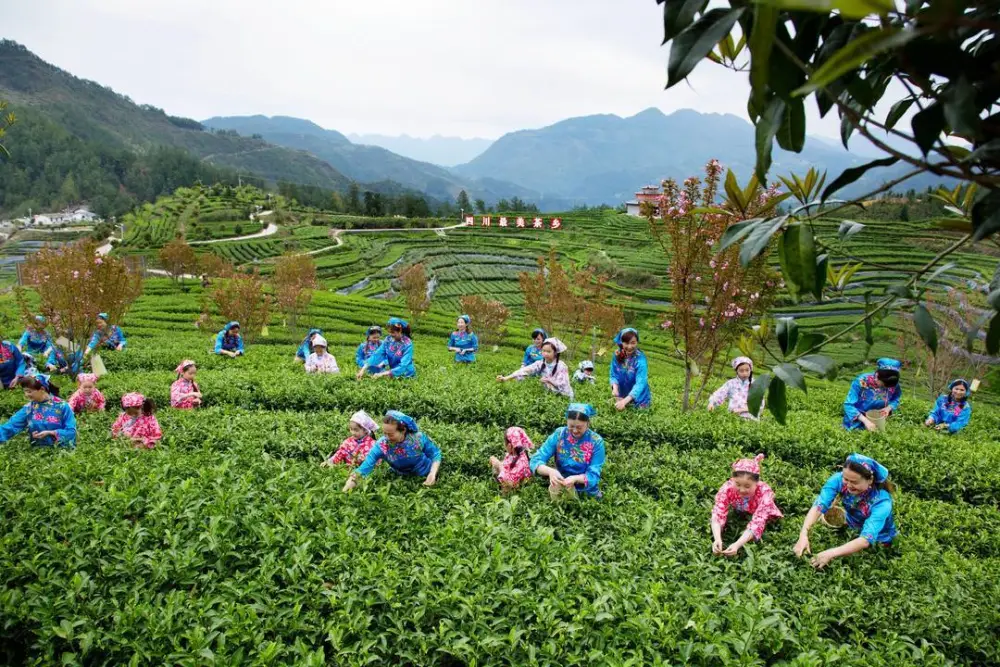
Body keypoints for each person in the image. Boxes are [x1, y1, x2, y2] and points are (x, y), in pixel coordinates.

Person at [794, 453, 897, 569]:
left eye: (854, 482)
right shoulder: (838, 480)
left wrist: (830, 553)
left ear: (870, 480)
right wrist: (803, 534)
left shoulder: (882, 503)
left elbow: (865, 540)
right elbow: (819, 505)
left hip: (878, 538)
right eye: (845, 478)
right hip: (851, 525)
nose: (848, 485)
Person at [343, 411, 441, 491]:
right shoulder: (381, 446)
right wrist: (347, 488)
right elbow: (364, 468)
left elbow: (435, 454)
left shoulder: (418, 438)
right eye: (384, 433)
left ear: (403, 431)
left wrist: (432, 474)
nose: (386, 437)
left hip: (425, 474)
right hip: (401, 479)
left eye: (390, 434)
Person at [710, 454, 783, 556]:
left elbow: (758, 522)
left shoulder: (765, 493)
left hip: (757, 509)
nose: (742, 490)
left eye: (747, 486)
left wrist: (737, 544)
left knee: (766, 517)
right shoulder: (727, 488)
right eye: (738, 484)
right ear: (732, 479)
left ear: (757, 483)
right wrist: (717, 538)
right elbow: (718, 512)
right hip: (740, 508)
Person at [530, 403, 606, 499]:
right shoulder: (559, 434)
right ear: (566, 421)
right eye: (571, 426)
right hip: (560, 485)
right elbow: (536, 460)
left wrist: (575, 479)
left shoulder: (596, 442)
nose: (574, 431)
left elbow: (593, 475)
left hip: (585, 491)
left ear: (588, 423)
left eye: (579, 427)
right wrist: (550, 472)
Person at [0, 375, 76, 449]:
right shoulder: (29, 408)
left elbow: (71, 432)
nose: (26, 395)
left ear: (42, 389)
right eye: (25, 392)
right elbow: (11, 426)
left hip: (62, 453)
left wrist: (51, 433)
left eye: (29, 391)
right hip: (38, 453)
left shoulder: (62, 406)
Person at [497, 337, 573, 398]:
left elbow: (563, 385)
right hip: (550, 395)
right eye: (543, 351)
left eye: (548, 351)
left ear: (555, 353)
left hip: (563, 397)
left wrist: (549, 380)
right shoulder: (540, 363)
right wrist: (506, 378)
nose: (545, 354)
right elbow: (524, 370)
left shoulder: (562, 366)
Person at [843, 358, 902, 431]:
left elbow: (896, 398)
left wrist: (888, 408)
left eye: (889, 387)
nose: (886, 389)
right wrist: (865, 421)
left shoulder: (892, 383)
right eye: (883, 386)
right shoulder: (862, 381)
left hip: (877, 420)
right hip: (856, 421)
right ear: (877, 376)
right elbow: (848, 404)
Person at [609, 328, 650, 410]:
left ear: (637, 342)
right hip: (622, 396)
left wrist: (625, 401)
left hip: (639, 399)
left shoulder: (640, 359)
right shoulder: (617, 354)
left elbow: (640, 383)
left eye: (633, 343)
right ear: (621, 342)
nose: (629, 346)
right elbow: (613, 374)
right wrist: (615, 388)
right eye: (626, 343)